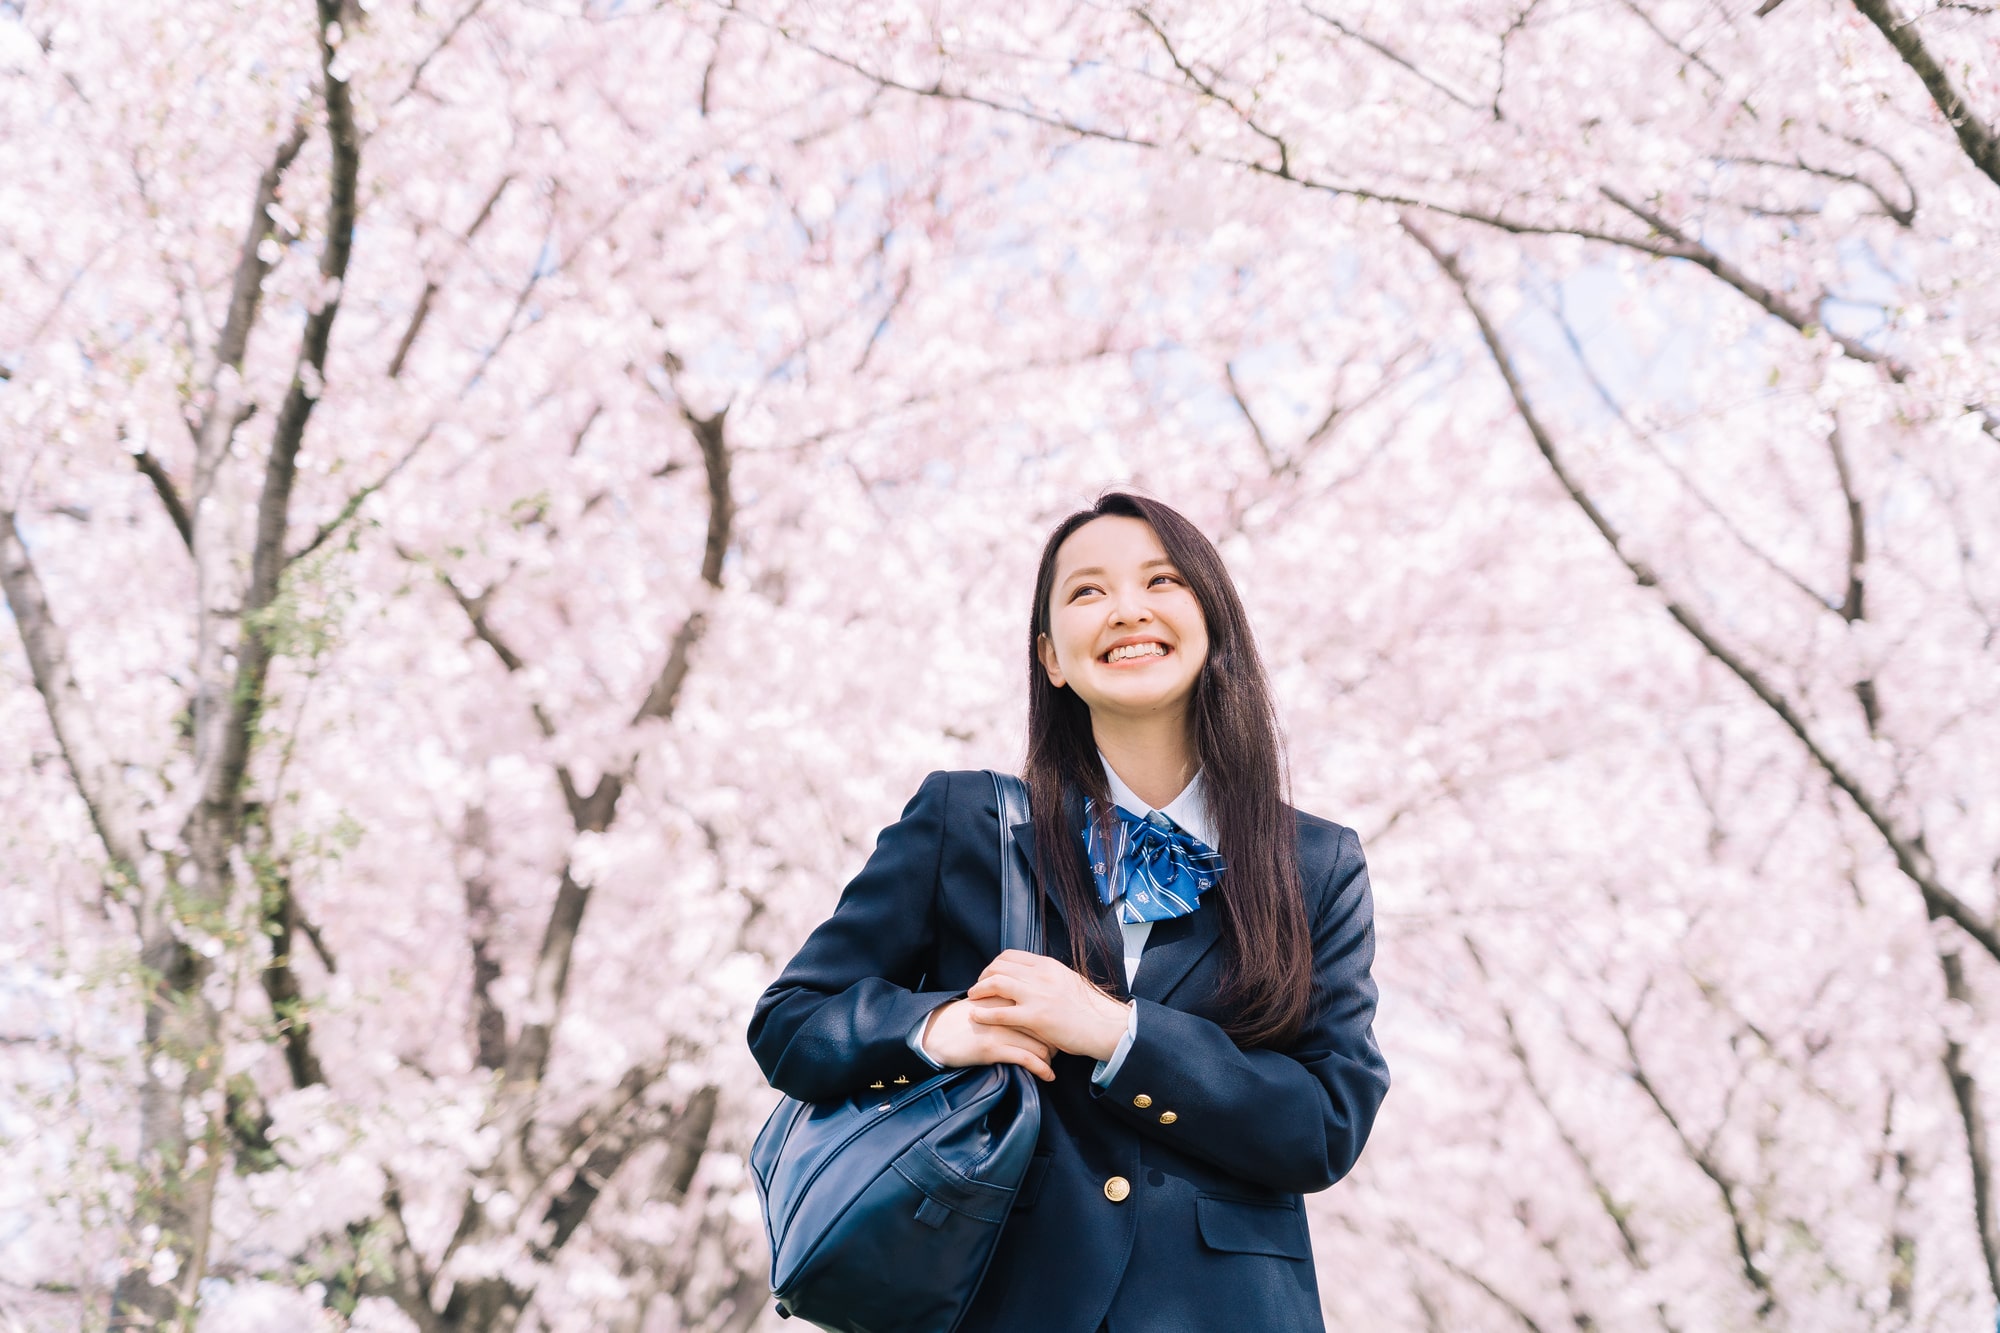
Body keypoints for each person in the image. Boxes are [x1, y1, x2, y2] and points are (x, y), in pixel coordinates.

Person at [747, 492, 1389, 1332]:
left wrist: (1117, 1033)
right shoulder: (964, 822)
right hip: (1000, 1302)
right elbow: (790, 1022)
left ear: (1213, 619)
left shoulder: (1316, 862)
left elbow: (1326, 1122)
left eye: (1162, 580)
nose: (1127, 609)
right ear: (1050, 656)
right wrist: (940, 1027)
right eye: (1088, 591)